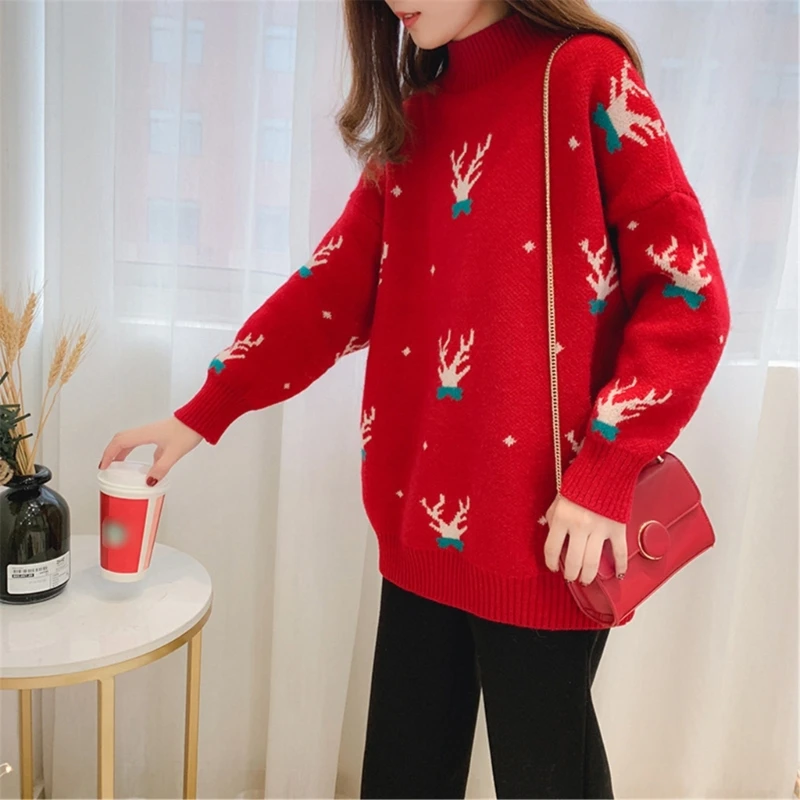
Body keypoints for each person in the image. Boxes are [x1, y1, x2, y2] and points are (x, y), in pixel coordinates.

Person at [100, 1, 731, 797]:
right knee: (401, 781)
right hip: (422, 527)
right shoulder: (419, 113)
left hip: (551, 534)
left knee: (547, 783)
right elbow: (332, 288)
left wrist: (605, 469)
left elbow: (688, 293)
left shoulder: (582, 75)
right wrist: (203, 409)